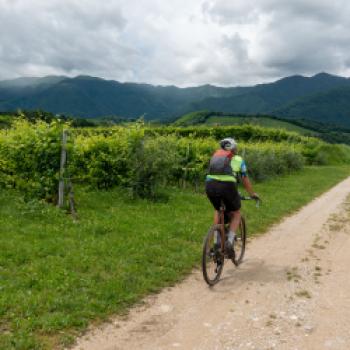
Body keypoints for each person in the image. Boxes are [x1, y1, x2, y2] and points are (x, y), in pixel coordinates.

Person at [205, 137, 259, 257]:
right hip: (228, 186)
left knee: (218, 209)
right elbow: (244, 178)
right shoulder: (239, 159)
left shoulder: (215, 157)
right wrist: (252, 194)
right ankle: (229, 241)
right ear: (234, 148)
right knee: (236, 213)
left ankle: (216, 241)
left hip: (210, 185)